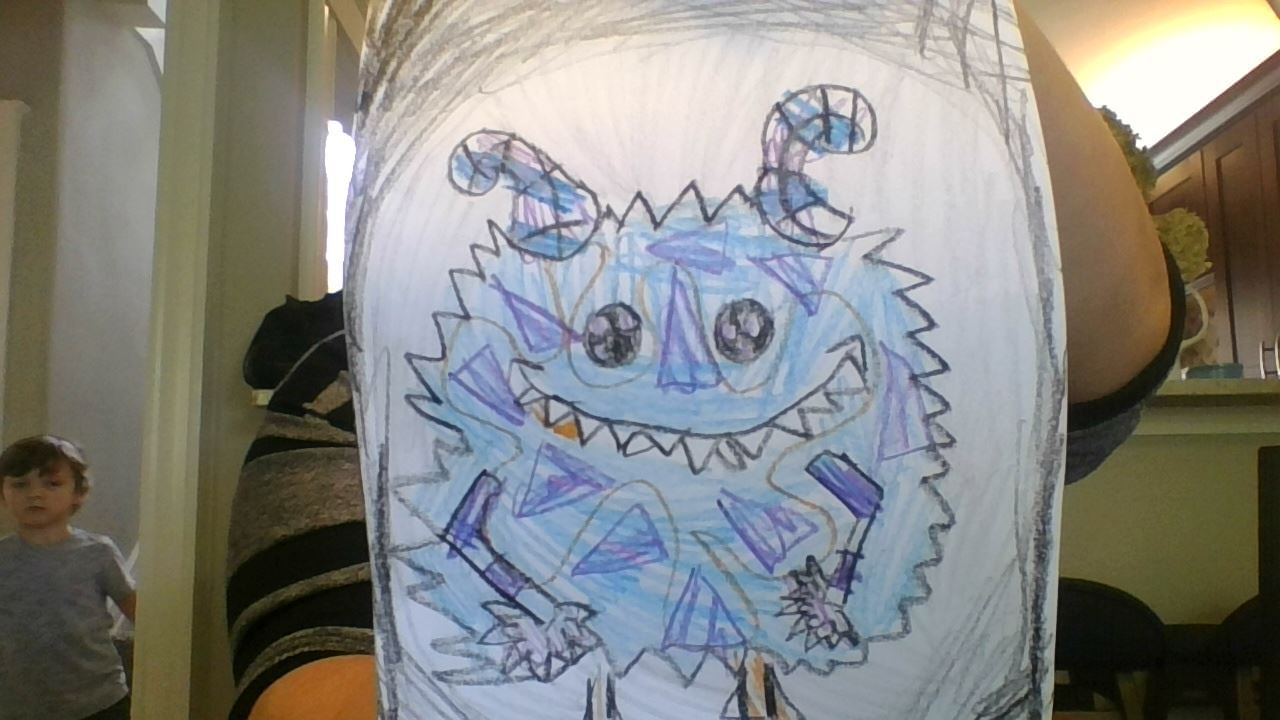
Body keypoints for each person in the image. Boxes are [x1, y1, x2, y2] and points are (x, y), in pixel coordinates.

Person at [227, 2, 1180, 717]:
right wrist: (537, 617)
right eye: (612, 337)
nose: (687, 385)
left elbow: (1106, 369)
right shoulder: (348, 398)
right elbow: (307, 676)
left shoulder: (883, 348)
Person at [0, 435, 137, 720]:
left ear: (78, 492)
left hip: (99, 702)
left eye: (52, 484)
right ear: (3, 493)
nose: (35, 494)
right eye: (20, 484)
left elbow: (142, 616)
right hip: (18, 706)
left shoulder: (98, 552)